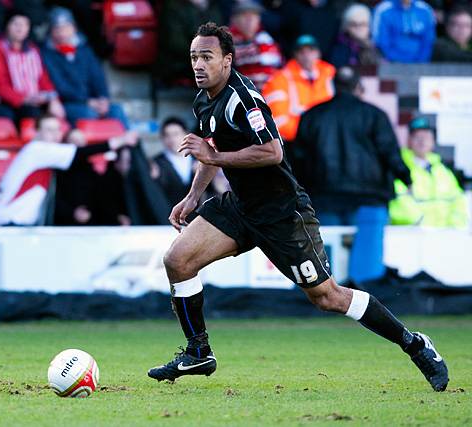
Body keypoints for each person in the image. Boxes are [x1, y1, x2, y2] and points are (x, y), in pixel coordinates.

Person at [146, 22, 448, 393]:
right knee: (178, 260)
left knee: (329, 297)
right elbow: (211, 150)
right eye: (194, 57)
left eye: (207, 57)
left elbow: (273, 151)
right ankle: (198, 352)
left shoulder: (245, 100)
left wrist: (216, 155)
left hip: (282, 214)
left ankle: (415, 344)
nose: (198, 64)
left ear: (227, 60)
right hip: (241, 206)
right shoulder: (204, 98)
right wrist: (194, 196)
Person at [297, 67, 412, 283]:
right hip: (370, 196)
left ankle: (325, 297)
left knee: (324, 261)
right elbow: (389, 153)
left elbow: (298, 160)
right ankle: (365, 297)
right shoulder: (374, 115)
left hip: (324, 196)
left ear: (333, 86)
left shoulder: (312, 115)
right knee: (367, 269)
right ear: (359, 87)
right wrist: (406, 178)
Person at [0, 114, 137, 226]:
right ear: (36, 132)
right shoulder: (37, 149)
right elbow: (81, 153)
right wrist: (121, 140)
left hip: (21, 223)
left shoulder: (41, 156)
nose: (55, 134)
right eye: (49, 130)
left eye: (57, 130)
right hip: (12, 222)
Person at [41, 7, 129, 127]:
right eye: (57, 29)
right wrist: (87, 102)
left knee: (116, 111)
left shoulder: (84, 50)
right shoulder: (47, 54)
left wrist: (103, 98)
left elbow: (98, 77)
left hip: (92, 101)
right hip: (68, 103)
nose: (62, 33)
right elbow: (59, 86)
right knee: (89, 114)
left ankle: (127, 144)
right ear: (51, 31)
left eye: (66, 27)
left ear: (74, 28)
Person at [0, 9, 66, 123]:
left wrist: (54, 100)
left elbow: (43, 79)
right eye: (16, 24)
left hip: (37, 100)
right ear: (7, 26)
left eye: (24, 24)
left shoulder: (33, 50)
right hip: (14, 103)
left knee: (60, 113)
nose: (20, 28)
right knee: (34, 115)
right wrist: (24, 99)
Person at [390, 117, 470, 228]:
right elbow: (398, 200)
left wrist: (454, 226)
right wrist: (420, 222)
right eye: (417, 137)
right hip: (411, 235)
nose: (422, 141)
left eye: (426, 137)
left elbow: (457, 200)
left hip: (445, 235)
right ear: (409, 141)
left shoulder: (443, 171)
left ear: (433, 141)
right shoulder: (400, 169)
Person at [262, 34, 335, 142]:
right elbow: (278, 120)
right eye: (301, 52)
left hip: (328, 139)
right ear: (295, 55)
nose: (307, 56)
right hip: (297, 142)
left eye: (311, 51)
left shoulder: (331, 75)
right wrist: (309, 134)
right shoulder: (279, 80)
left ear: (318, 53)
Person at [156, 0, 223, 84]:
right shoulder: (173, 8)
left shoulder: (211, 6)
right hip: (179, 61)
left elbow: (219, 32)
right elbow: (176, 44)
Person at [229, 1, 282, 90]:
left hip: (271, 92)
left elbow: (278, 64)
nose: (250, 19)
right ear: (234, 20)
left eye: (254, 15)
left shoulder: (266, 39)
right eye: (244, 15)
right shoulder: (228, 42)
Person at [150, 117, 195, 210]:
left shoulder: (199, 160)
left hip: (197, 217)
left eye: (176, 134)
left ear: (186, 134)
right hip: (166, 215)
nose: (172, 139)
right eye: (167, 135)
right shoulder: (156, 163)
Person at [330, 3, 381, 68]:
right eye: (354, 24)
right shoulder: (340, 48)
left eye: (363, 24)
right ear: (346, 27)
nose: (359, 28)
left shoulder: (377, 46)